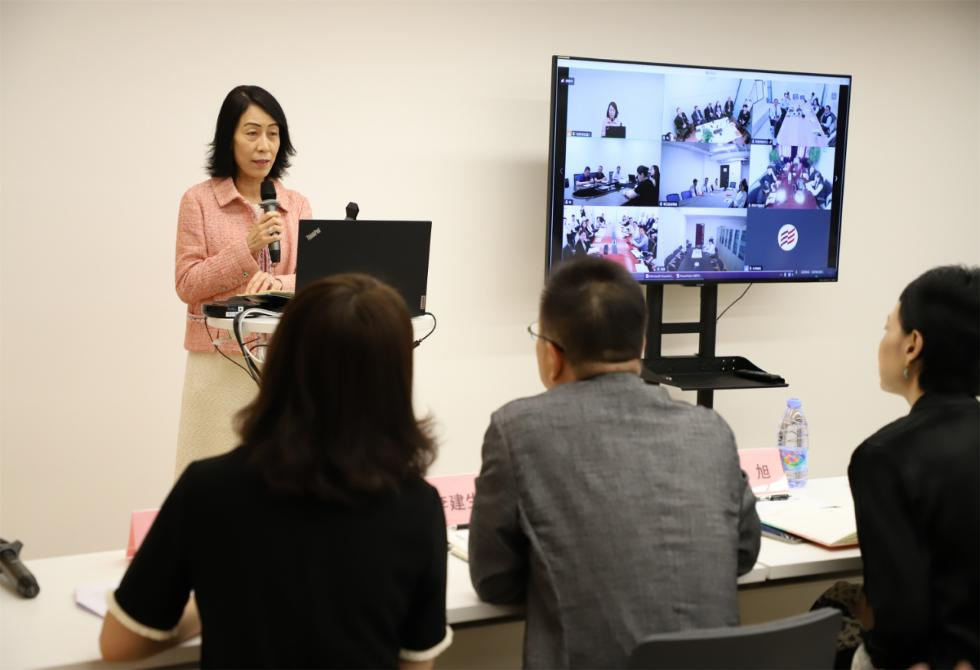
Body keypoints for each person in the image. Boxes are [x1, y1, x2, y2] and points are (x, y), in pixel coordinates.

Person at [100, 274, 453, 668]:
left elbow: (118, 645)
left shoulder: (208, 488)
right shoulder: (417, 507)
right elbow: (416, 663)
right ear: (395, 378)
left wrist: (206, 608)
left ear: (281, 361)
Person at [468, 256, 761, 668]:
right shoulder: (709, 430)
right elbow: (743, 552)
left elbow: (493, 579)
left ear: (552, 355)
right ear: (642, 345)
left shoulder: (517, 430)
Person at [174, 85, 312, 478]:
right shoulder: (198, 201)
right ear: (228, 138)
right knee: (210, 480)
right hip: (218, 362)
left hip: (283, 363)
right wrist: (246, 248)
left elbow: (312, 281)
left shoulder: (296, 204)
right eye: (252, 133)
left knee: (280, 479)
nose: (264, 145)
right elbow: (187, 283)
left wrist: (276, 285)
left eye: (273, 133)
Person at [848, 266, 979, 670]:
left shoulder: (882, 457)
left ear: (912, 346)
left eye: (888, 328)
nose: (883, 341)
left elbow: (899, 624)